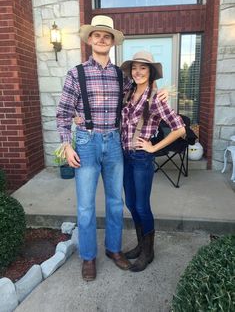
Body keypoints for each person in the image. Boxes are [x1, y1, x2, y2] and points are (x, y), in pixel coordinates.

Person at [56, 15, 168, 281]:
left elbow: (143, 89)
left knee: (116, 202)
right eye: (97, 35)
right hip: (86, 142)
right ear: (90, 40)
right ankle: (88, 257)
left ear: (112, 41)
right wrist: (66, 144)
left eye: (107, 36)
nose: (102, 39)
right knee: (85, 206)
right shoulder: (76, 73)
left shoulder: (123, 76)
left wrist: (159, 90)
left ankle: (113, 249)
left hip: (116, 142)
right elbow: (63, 113)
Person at [120, 51, 186, 272]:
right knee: (130, 203)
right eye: (134, 68)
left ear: (150, 72)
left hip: (141, 158)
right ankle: (141, 245)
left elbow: (180, 129)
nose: (137, 72)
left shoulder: (157, 98)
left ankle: (149, 252)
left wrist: (153, 147)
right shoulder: (128, 92)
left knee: (141, 205)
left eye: (143, 68)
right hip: (124, 156)